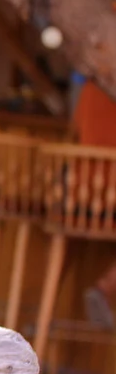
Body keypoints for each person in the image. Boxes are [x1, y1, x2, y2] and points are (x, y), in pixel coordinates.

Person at [72, 74, 116, 330]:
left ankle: (105, 287)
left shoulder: (90, 87)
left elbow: (75, 129)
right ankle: (106, 286)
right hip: (108, 196)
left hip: (77, 196)